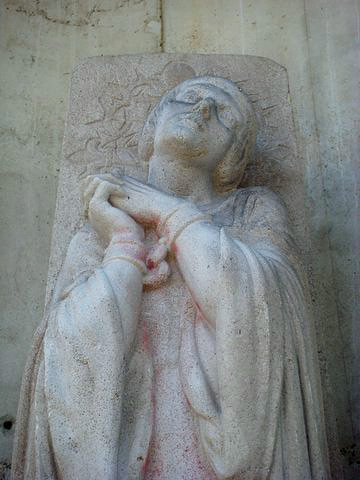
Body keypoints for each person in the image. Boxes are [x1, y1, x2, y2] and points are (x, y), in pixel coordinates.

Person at [12, 76, 330, 479]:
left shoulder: (252, 210)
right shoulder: (100, 225)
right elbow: (67, 352)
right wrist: (125, 244)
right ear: (152, 125)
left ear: (234, 156)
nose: (203, 111)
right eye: (190, 98)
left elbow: (264, 310)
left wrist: (166, 212)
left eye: (224, 114)